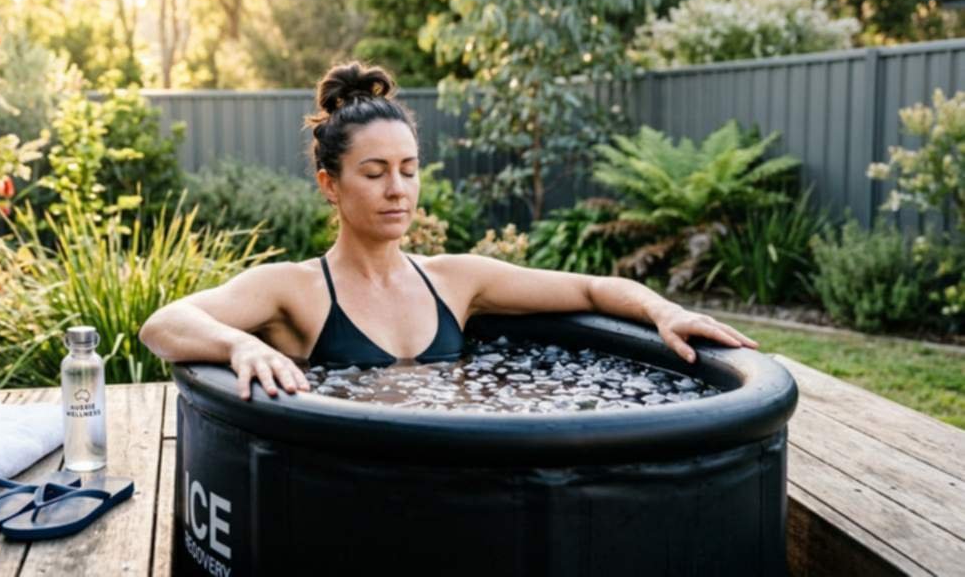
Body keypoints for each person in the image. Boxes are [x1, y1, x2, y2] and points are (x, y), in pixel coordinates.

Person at [138, 61, 758, 401]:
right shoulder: (294, 290)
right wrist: (242, 345)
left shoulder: (457, 280)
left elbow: (592, 291)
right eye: (374, 173)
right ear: (331, 184)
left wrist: (662, 310)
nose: (398, 189)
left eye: (408, 170)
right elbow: (162, 325)